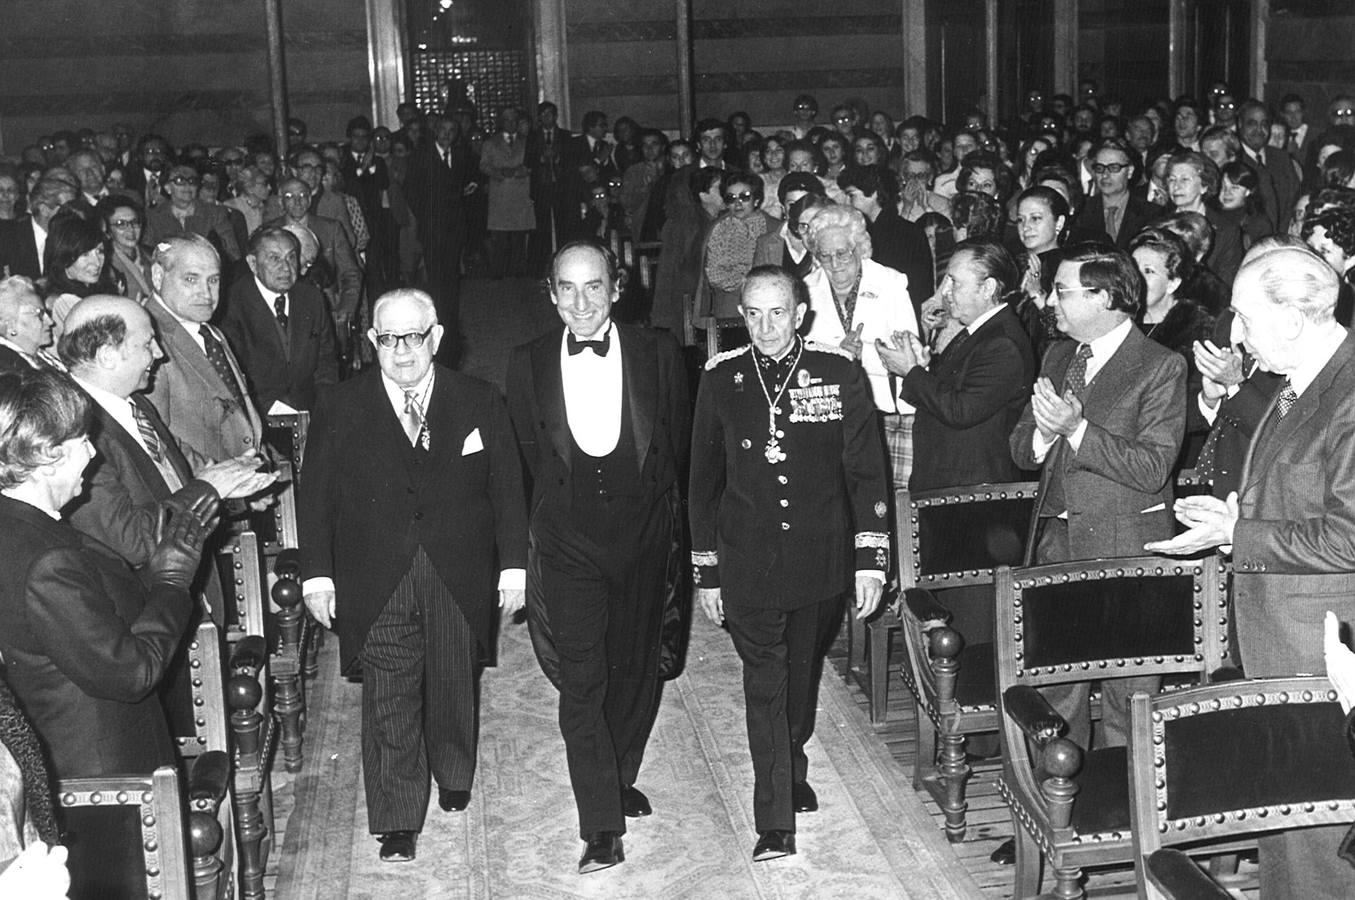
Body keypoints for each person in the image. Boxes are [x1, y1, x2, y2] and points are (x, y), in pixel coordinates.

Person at [1147, 242, 1355, 900]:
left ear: (1292, 319)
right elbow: (1303, 493)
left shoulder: (1348, 390)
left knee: (1318, 835)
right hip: (1279, 640)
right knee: (1285, 826)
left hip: (1320, 650)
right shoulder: (1299, 378)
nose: (1233, 334)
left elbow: (1350, 533)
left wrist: (1241, 532)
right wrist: (1237, 516)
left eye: (1243, 315)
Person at [299, 288, 527, 864]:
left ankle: (453, 771)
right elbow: (317, 495)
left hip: (457, 566)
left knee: (453, 675)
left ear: (437, 338)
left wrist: (515, 567)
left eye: (415, 337)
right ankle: (397, 816)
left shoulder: (478, 399)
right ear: (372, 340)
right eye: (388, 338)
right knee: (388, 696)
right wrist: (317, 577)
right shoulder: (342, 405)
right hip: (376, 573)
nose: (402, 351)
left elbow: (507, 490)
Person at [688, 265, 889, 862]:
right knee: (765, 683)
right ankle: (773, 818)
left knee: (800, 680)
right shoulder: (721, 378)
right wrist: (707, 569)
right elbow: (701, 482)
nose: (765, 326)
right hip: (747, 559)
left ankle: (791, 759)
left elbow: (865, 474)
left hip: (819, 557)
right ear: (741, 314)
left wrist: (870, 561)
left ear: (799, 313)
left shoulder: (838, 372)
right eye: (752, 313)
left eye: (778, 312)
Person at [505, 242, 689, 873]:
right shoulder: (525, 363)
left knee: (637, 670)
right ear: (551, 293)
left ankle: (620, 773)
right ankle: (599, 826)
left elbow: (676, 448)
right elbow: (528, 462)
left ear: (618, 288)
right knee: (584, 681)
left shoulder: (659, 352)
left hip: (644, 537)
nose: (581, 302)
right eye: (567, 288)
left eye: (594, 287)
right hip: (568, 543)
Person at [0, 367, 219, 779]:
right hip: (110, 774)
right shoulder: (46, 563)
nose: (92, 453)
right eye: (81, 440)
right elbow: (133, 672)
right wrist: (171, 583)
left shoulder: (24, 525)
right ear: (48, 457)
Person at [1008, 243, 1186, 748]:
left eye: (1062, 292)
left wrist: (1077, 429)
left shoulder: (1160, 366)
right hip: (1056, 544)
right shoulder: (1059, 353)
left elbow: (1152, 468)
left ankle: (1128, 817)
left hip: (1125, 551)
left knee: (1128, 700)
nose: (1050, 303)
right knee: (1052, 691)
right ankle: (1059, 815)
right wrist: (1045, 433)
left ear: (1105, 297)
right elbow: (1022, 449)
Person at [884, 239, 1036, 491]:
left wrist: (911, 372)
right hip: (953, 483)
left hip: (971, 491)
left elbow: (961, 410)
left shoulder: (1003, 342)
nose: (945, 292)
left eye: (954, 282)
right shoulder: (981, 332)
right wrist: (924, 369)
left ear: (987, 288)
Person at [802, 204, 920, 486]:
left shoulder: (890, 283)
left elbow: (910, 354)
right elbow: (802, 358)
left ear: (859, 248)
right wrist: (837, 354)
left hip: (885, 413)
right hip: (828, 416)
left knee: (890, 502)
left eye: (842, 253)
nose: (834, 263)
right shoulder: (805, 289)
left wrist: (860, 354)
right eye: (824, 255)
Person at [145, 235, 263, 466]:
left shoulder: (212, 334)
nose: (207, 294)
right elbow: (155, 439)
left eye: (213, 280)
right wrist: (229, 482)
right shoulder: (147, 338)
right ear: (158, 276)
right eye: (191, 279)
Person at [218, 226, 338, 413]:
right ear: (252, 263)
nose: (286, 267)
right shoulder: (232, 304)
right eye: (274, 258)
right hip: (259, 416)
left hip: (310, 410)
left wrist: (324, 405)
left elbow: (326, 361)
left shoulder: (312, 298)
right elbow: (234, 376)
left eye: (291, 257)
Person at [404, 115, 475, 342]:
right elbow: (410, 190)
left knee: (452, 280)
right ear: (436, 131)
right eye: (443, 130)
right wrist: (426, 214)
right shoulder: (421, 156)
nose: (447, 135)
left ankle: (451, 328)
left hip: (454, 228)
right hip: (432, 228)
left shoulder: (461, 156)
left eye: (452, 131)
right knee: (435, 279)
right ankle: (435, 327)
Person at [838, 164, 934, 320]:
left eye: (851, 195)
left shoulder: (907, 234)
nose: (846, 202)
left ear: (874, 194)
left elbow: (918, 292)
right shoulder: (860, 232)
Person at [698, 171, 778, 323]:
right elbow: (713, 274)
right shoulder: (719, 228)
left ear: (756, 200)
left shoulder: (774, 228)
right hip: (728, 303)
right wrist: (745, 279)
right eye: (731, 198)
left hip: (767, 303)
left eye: (745, 196)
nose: (738, 203)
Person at [479, 107, 534, 279]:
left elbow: (534, 163)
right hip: (500, 195)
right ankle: (498, 273)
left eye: (514, 120)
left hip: (520, 194)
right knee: (499, 237)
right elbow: (483, 165)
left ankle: (518, 273)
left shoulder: (527, 142)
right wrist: (500, 172)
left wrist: (523, 170)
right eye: (507, 120)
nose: (511, 124)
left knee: (519, 237)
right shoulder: (490, 143)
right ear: (501, 122)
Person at [1077, 138, 1160, 249]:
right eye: (1100, 168)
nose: (1105, 175)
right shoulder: (1081, 211)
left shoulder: (1152, 214)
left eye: (1114, 168)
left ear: (1130, 171)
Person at [0, 178, 76, 279]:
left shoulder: (75, 237)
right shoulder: (7, 236)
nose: (76, 214)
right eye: (68, 210)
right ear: (44, 210)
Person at [97, 196, 153, 304]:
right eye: (120, 224)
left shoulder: (152, 255)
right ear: (107, 230)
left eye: (135, 222)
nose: (130, 230)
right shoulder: (104, 264)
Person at [0, 276, 57, 372]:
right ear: (10, 325)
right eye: (39, 314)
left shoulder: (36, 355)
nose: (50, 322)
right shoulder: (8, 371)